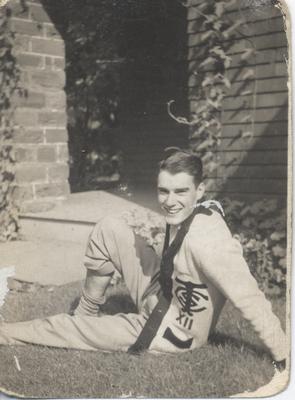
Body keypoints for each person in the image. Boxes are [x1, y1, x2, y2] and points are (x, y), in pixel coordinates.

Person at [0, 149, 287, 366]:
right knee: (110, 228)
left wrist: (283, 355)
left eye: (180, 192)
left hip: (170, 331)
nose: (170, 201)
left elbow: (249, 298)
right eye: (164, 191)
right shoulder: (195, 211)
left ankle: (8, 332)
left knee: (69, 330)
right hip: (162, 293)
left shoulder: (210, 242)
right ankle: (86, 312)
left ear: (199, 190)